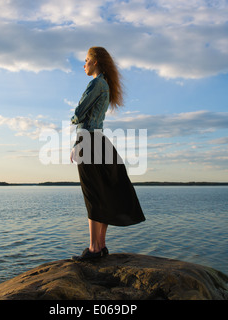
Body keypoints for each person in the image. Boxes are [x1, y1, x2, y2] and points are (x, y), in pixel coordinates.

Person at [70, 47, 145, 261]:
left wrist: (76, 134)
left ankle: (94, 249)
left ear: (95, 62)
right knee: (101, 194)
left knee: (93, 195)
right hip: (100, 141)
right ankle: (101, 246)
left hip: (89, 140)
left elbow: (79, 113)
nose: (83, 64)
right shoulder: (106, 85)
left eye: (86, 60)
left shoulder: (95, 84)